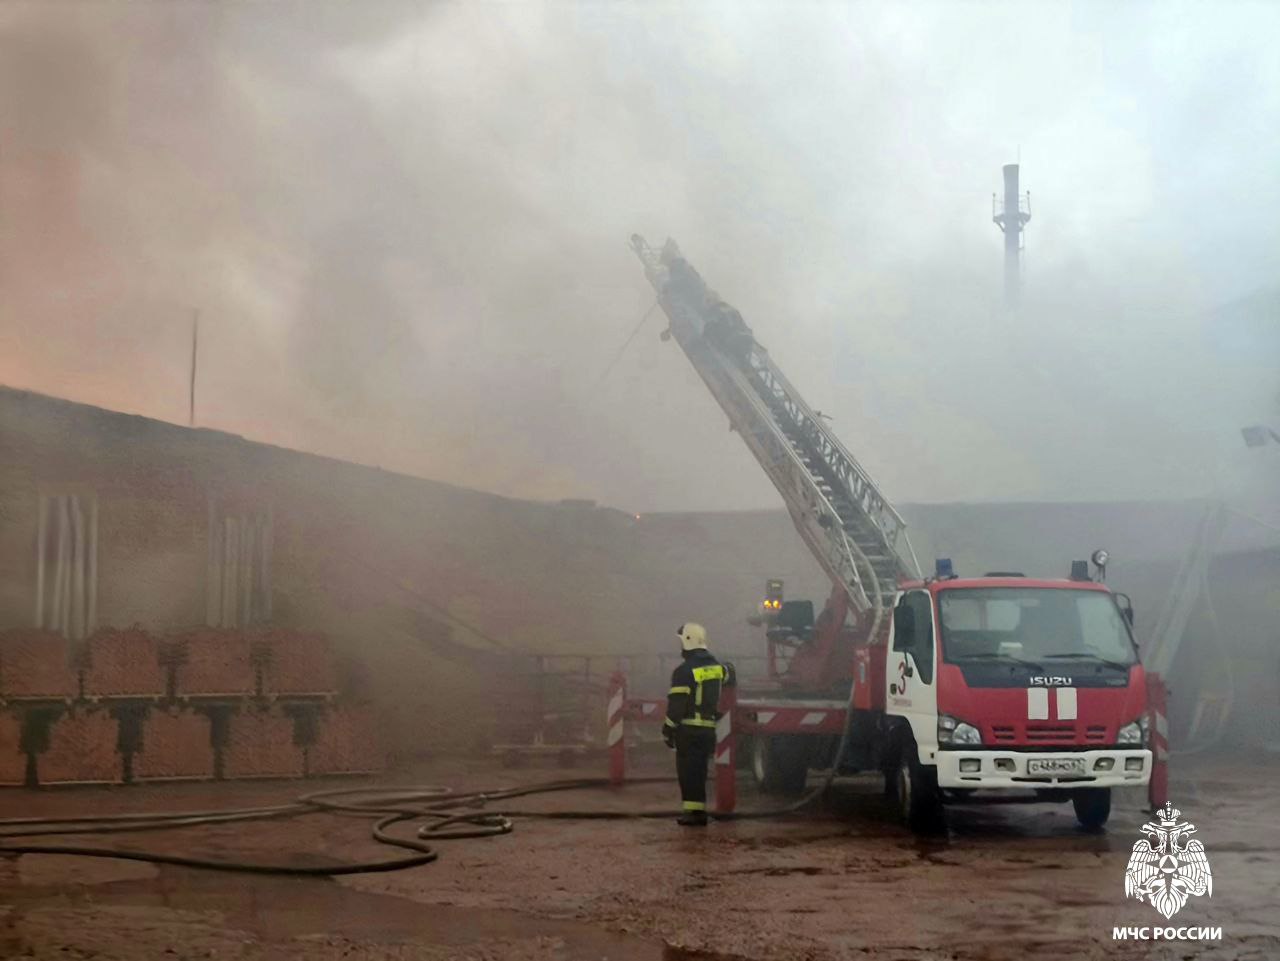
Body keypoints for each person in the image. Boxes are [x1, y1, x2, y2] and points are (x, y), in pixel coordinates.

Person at [663, 623, 731, 826]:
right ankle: (697, 812)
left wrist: (668, 729)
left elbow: (677, 705)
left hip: (689, 729)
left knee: (687, 773)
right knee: (699, 772)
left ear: (688, 641)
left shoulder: (683, 672)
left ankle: (694, 814)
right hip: (708, 730)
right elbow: (730, 673)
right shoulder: (717, 668)